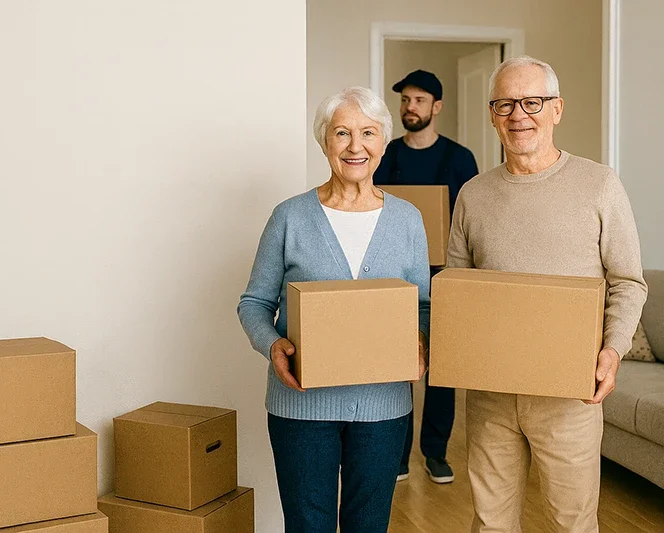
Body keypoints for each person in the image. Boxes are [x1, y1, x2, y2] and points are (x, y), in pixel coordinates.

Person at [447, 56, 648, 532]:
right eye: (504, 104)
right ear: (492, 114)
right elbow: (457, 290)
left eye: (532, 102)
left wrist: (613, 350)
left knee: (571, 523)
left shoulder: (599, 185)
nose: (518, 114)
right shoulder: (473, 194)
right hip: (490, 393)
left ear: (557, 108)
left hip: (569, 396)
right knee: (491, 523)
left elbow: (628, 281)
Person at [237, 86, 431, 533]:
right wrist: (273, 345)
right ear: (324, 141)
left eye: (368, 132)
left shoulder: (408, 219)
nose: (355, 146)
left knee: (370, 525)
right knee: (308, 525)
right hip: (302, 406)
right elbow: (255, 303)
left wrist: (421, 342)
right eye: (342, 133)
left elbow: (422, 305)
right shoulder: (289, 217)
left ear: (384, 141)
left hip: (383, 406)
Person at [374, 69, 479, 484]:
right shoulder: (386, 155)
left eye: (418, 100)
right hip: (394, 275)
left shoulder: (460, 158)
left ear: (437, 107)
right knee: (396, 364)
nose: (409, 107)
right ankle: (397, 455)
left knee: (441, 365)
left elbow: (471, 220)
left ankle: (436, 452)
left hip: (445, 274)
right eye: (405, 100)